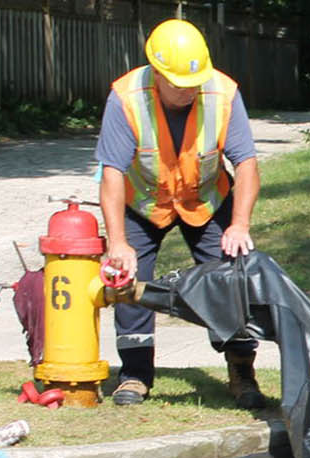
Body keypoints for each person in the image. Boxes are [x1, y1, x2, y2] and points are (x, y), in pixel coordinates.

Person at [95, 19, 264, 408]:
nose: (188, 91)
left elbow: (247, 164)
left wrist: (239, 225)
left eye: (193, 83)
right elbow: (112, 173)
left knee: (230, 279)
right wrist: (118, 242)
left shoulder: (223, 93)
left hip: (205, 199)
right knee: (127, 280)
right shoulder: (125, 97)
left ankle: (242, 370)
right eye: (178, 84)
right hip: (143, 203)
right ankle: (135, 375)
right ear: (156, 72)